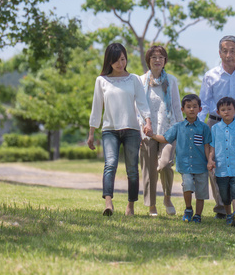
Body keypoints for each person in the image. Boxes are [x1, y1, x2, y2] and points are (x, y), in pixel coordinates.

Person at [88, 43, 152, 217]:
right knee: (110, 165)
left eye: (122, 59)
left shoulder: (133, 79)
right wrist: (92, 132)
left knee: (132, 168)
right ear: (109, 61)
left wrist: (148, 122)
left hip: (131, 129)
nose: (120, 63)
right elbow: (96, 107)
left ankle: (130, 206)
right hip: (110, 130)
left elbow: (142, 103)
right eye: (115, 60)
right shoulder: (101, 80)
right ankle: (108, 203)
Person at [199, 35, 235, 220]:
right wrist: (199, 126)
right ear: (219, 53)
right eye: (225, 50)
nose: (228, 54)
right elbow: (205, 104)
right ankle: (222, 207)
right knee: (215, 165)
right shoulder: (210, 76)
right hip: (215, 124)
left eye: (232, 51)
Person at [149, 94, 211, 223]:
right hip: (185, 165)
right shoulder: (178, 127)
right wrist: (152, 135)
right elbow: (166, 138)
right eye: (188, 107)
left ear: (200, 109)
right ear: (183, 109)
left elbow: (207, 146)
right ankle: (188, 209)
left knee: (201, 192)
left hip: (201, 165)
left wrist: (209, 161)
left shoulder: (204, 128)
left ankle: (198, 215)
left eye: (195, 107)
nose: (192, 109)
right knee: (187, 185)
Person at [139, 46, 184, 217]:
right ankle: (151, 205)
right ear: (148, 60)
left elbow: (176, 106)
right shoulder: (141, 80)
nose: (157, 60)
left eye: (161, 57)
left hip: (168, 130)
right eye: (154, 57)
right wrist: (140, 130)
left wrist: (181, 129)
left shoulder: (171, 80)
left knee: (165, 165)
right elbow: (138, 109)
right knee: (149, 170)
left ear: (165, 61)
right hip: (148, 131)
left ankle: (167, 197)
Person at [207, 97, 235, 227]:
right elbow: (212, 146)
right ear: (218, 112)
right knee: (224, 194)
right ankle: (228, 214)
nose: (226, 112)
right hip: (221, 167)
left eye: (229, 109)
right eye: (223, 110)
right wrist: (210, 159)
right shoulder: (215, 129)